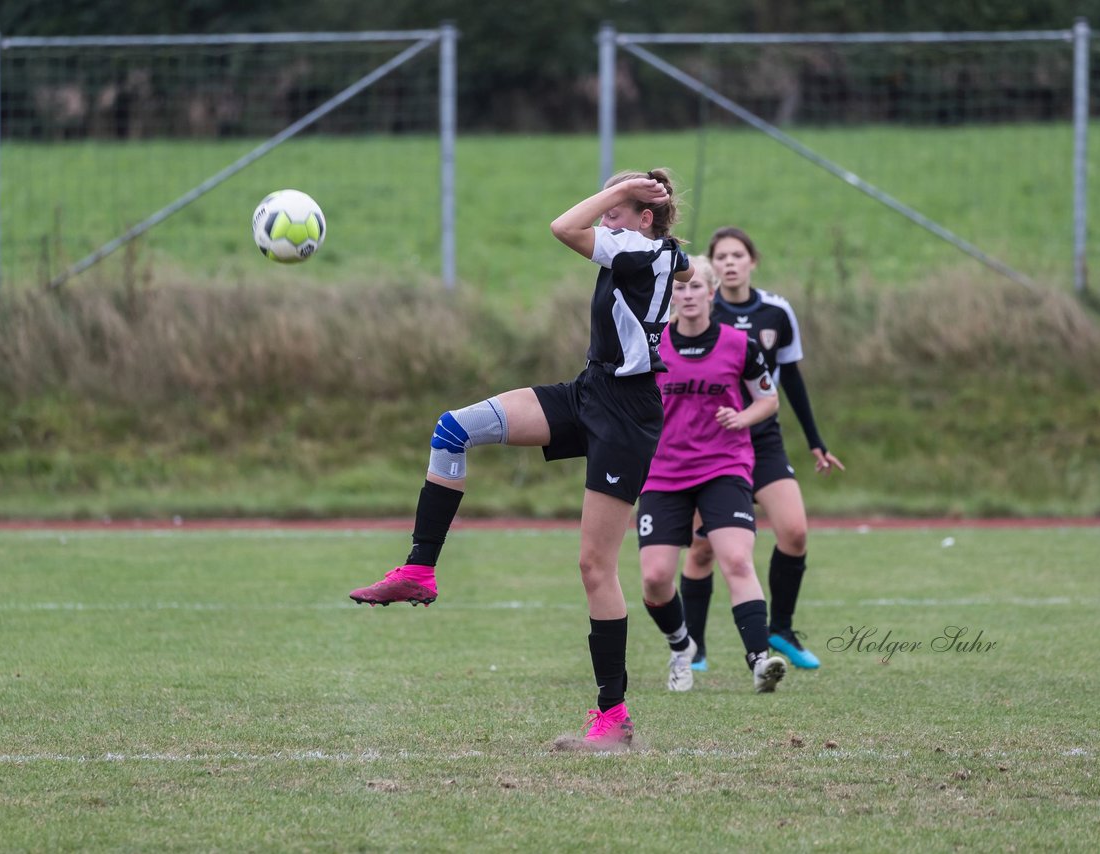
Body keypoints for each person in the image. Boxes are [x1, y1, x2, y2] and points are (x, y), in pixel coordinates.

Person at [348, 169, 692, 751]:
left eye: (617, 209)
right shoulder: (653, 252)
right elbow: (678, 264)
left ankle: (614, 719)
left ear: (643, 219)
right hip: (591, 392)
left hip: (628, 417)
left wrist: (620, 197)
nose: (605, 218)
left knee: (594, 568)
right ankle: (418, 570)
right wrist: (635, 200)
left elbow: (563, 226)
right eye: (607, 208)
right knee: (453, 429)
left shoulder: (639, 250)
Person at [680, 227, 844, 673]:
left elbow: (790, 379)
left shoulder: (776, 311)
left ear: (753, 261)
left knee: (794, 532)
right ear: (711, 268)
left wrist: (815, 441)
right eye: (722, 256)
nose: (731, 262)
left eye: (739, 255)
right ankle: (694, 646)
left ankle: (781, 630)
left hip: (764, 440)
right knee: (702, 550)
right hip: (712, 446)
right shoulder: (697, 309)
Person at [637, 255, 788, 694]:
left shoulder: (740, 345)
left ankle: (760, 662)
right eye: (679, 288)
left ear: (711, 292)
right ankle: (681, 645)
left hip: (724, 465)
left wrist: (744, 418)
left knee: (737, 559)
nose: (686, 294)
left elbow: (767, 399)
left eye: (695, 287)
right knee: (655, 578)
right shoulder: (651, 344)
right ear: (670, 295)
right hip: (663, 472)